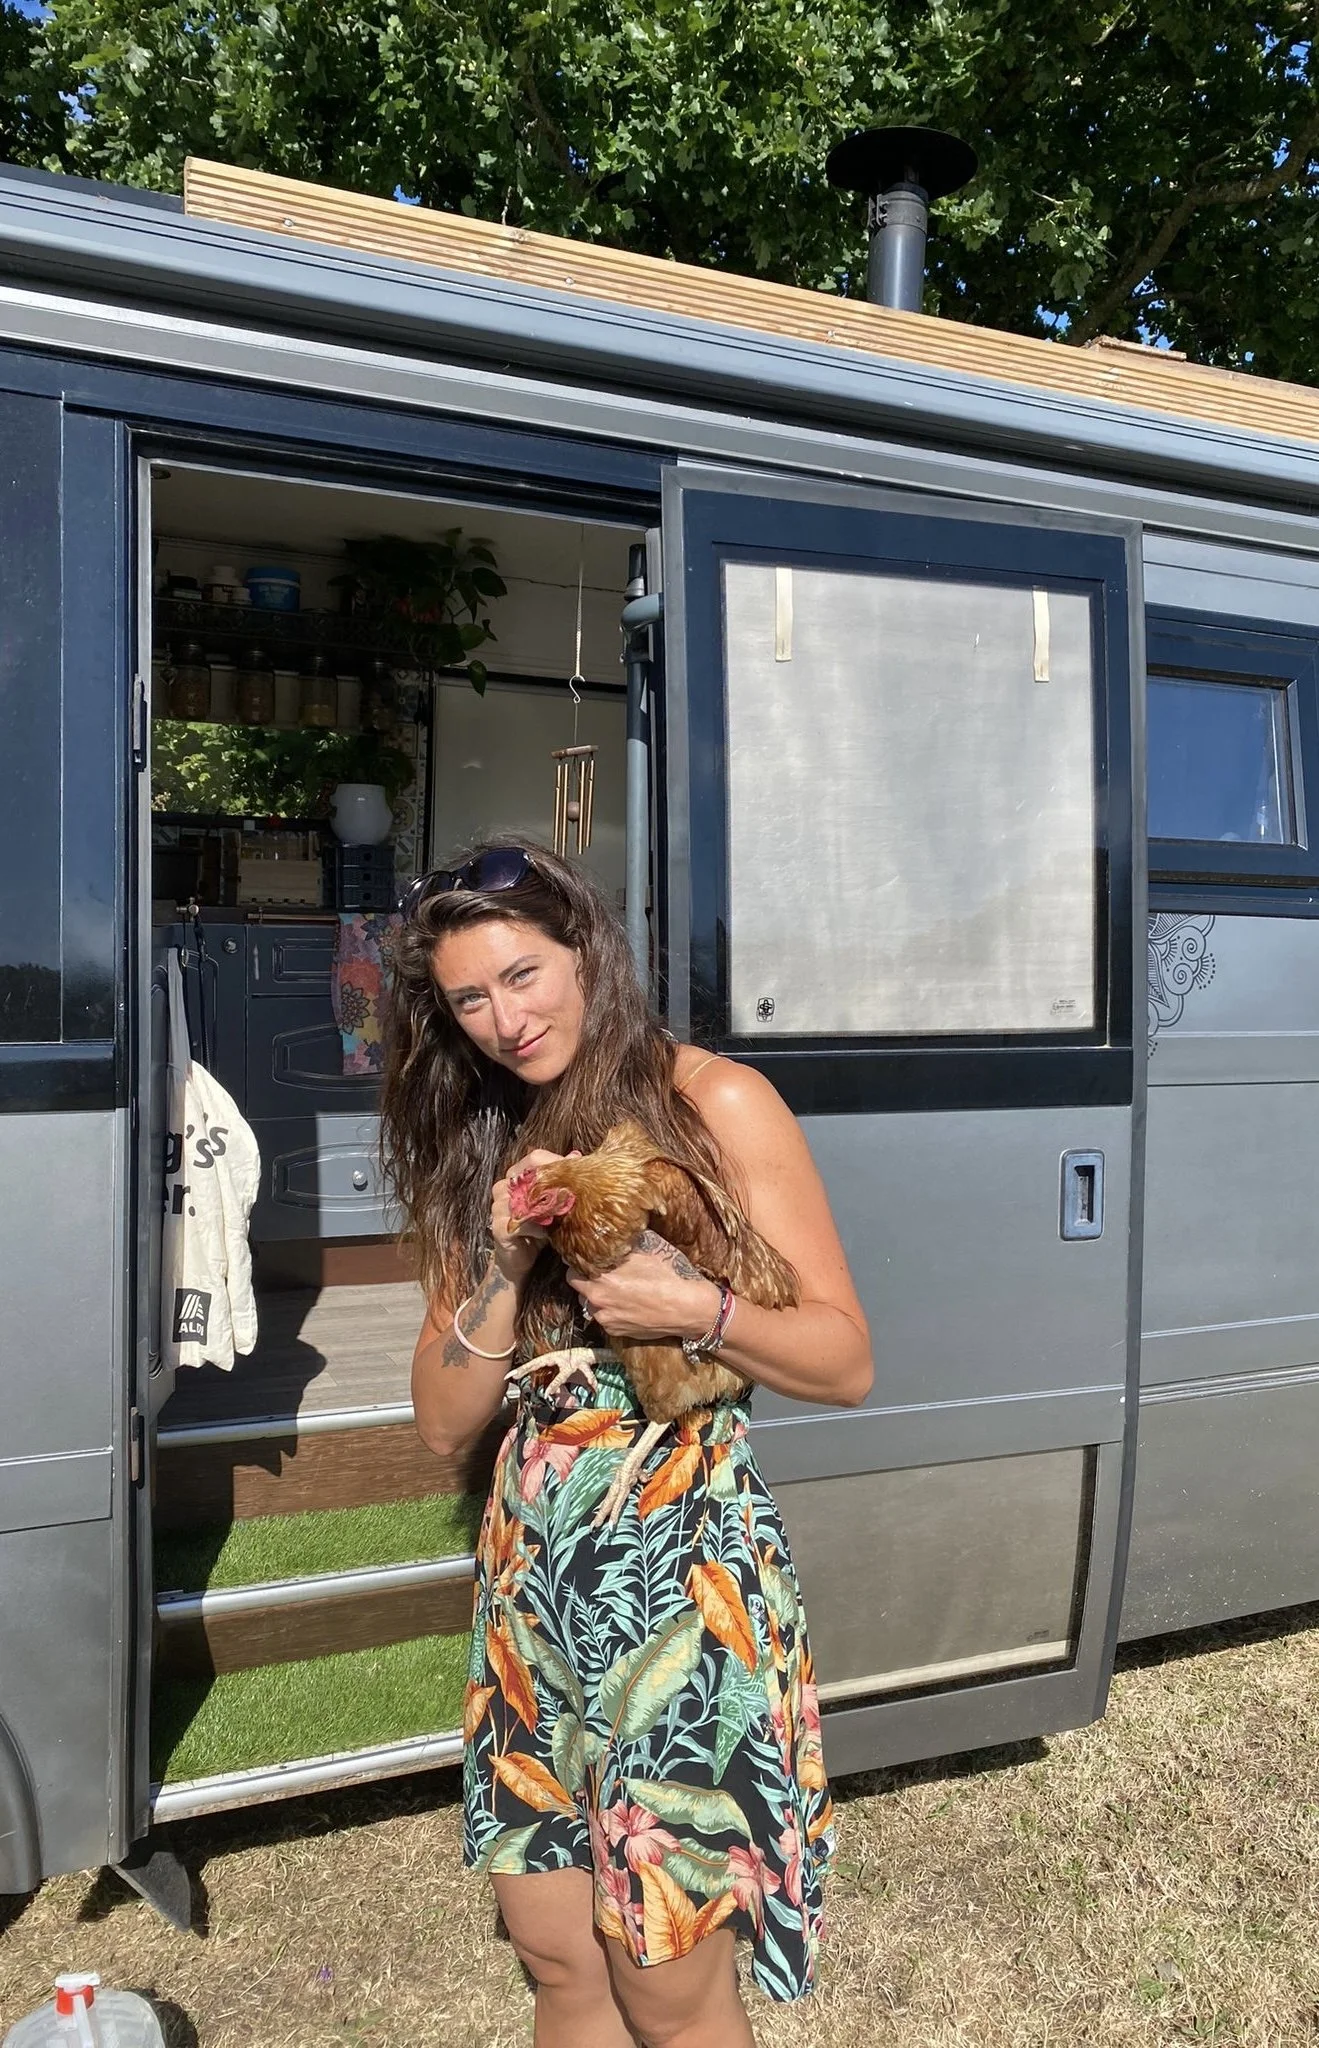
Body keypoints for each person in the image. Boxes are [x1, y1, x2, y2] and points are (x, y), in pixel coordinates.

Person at [381, 841, 873, 2048]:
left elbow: (845, 1357)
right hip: (532, 1593)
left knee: (662, 1974)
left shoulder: (712, 1097)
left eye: (525, 973)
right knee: (557, 1957)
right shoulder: (481, 1136)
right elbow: (443, 1418)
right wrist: (502, 1259)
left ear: (587, 948)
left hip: (678, 1587)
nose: (505, 1017)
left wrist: (696, 1312)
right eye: (470, 998)